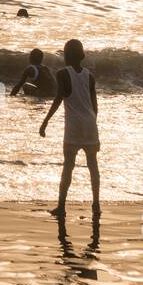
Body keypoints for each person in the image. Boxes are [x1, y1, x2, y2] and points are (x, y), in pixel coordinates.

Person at [39, 39, 100, 216]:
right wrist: (93, 123)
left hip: (74, 125)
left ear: (66, 55)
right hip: (90, 124)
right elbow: (95, 105)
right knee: (93, 166)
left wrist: (46, 121)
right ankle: (96, 204)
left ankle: (61, 206)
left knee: (68, 167)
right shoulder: (89, 75)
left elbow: (59, 99)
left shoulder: (62, 73)